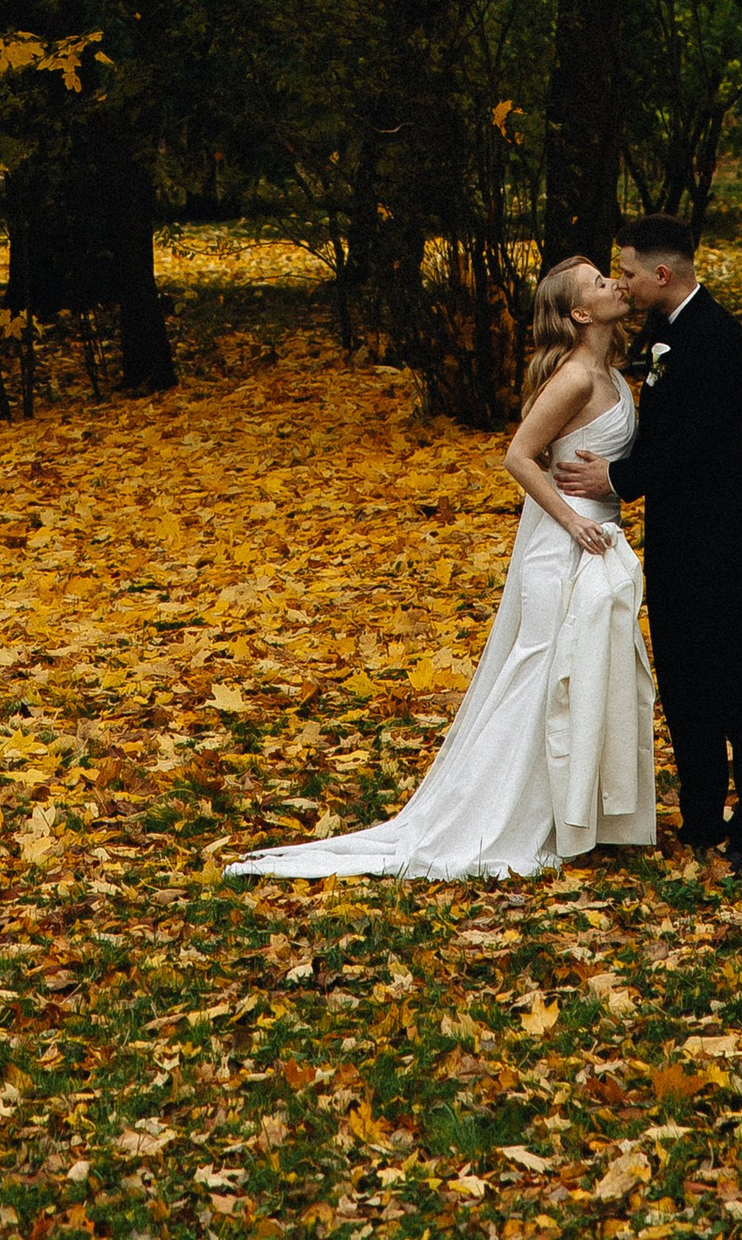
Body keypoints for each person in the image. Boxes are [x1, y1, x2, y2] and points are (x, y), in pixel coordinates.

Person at [228, 257, 657, 881]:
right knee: (542, 672)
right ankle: (501, 815)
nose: (615, 283)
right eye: (598, 283)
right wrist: (571, 522)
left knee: (585, 671)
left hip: (599, 534)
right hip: (566, 541)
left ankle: (577, 813)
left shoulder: (612, 372)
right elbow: (518, 456)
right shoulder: (572, 379)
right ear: (580, 313)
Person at [555, 217, 742, 871]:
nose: (620, 281)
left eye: (625, 271)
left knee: (736, 678)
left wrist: (618, 478)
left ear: (662, 274)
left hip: (723, 539)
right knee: (683, 683)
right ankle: (704, 814)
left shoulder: (718, 338)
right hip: (677, 540)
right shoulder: (663, 333)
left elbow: (700, 443)